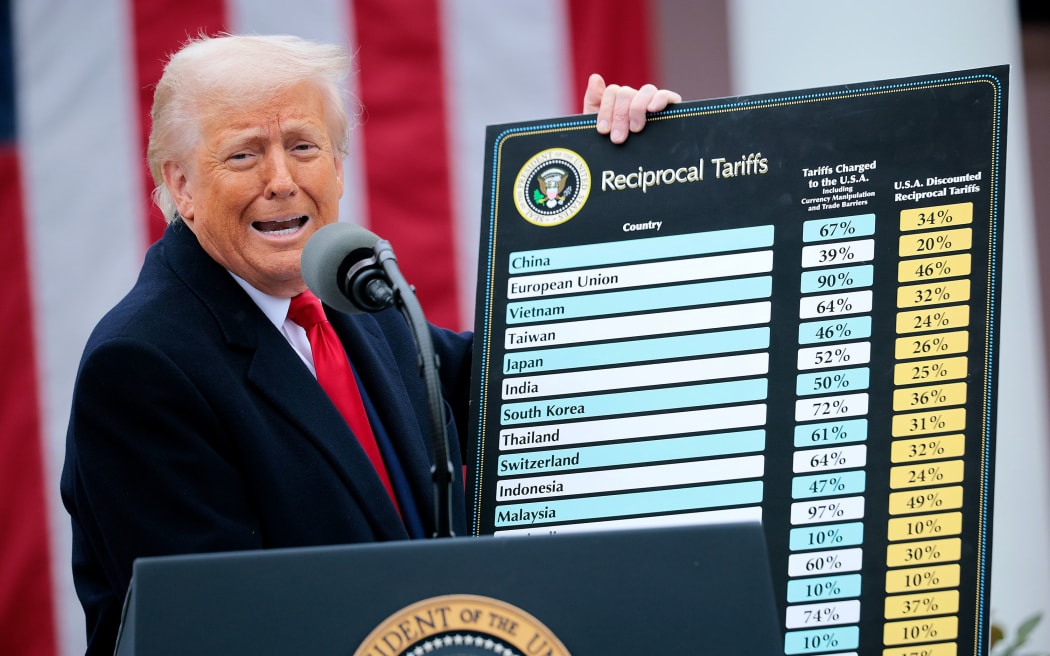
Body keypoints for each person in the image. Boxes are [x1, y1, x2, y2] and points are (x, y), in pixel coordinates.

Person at [60, 33, 681, 655]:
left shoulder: (350, 290)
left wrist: (625, 178)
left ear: (337, 163)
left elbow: (523, 388)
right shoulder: (141, 366)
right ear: (182, 185)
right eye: (244, 155)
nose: (281, 180)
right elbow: (224, 627)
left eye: (304, 146)